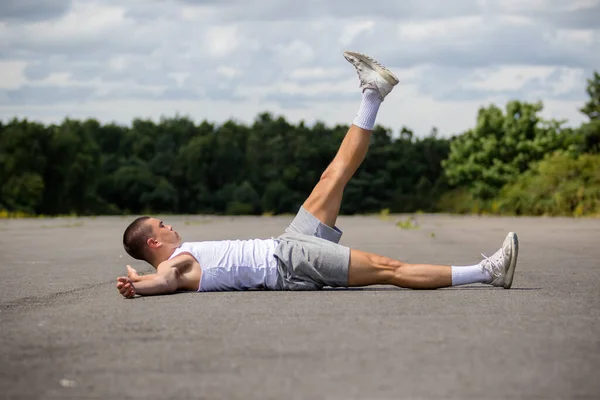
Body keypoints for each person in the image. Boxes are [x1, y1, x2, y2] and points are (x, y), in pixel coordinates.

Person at [117, 51, 519, 298]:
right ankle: (487, 272)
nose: (170, 225)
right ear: (154, 240)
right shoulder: (176, 267)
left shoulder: (172, 262)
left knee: (332, 176)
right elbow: (164, 282)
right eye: (162, 224)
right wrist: (138, 285)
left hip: (287, 244)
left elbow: (155, 277)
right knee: (387, 268)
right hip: (290, 262)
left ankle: (372, 94)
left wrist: (138, 277)